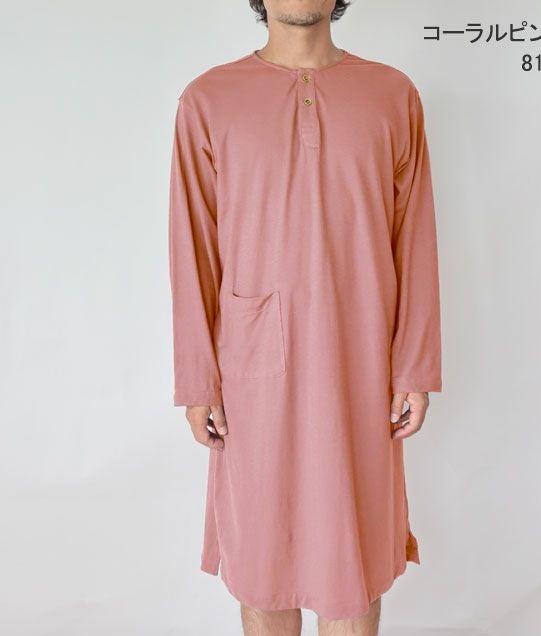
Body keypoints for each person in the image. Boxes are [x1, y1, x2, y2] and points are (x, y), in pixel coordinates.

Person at [167, 1, 442, 634]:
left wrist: (415, 366)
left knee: (354, 561)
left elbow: (415, 239)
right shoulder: (208, 99)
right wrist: (198, 382)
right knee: (263, 558)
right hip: (252, 371)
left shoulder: (392, 94)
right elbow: (193, 249)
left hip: (363, 362)